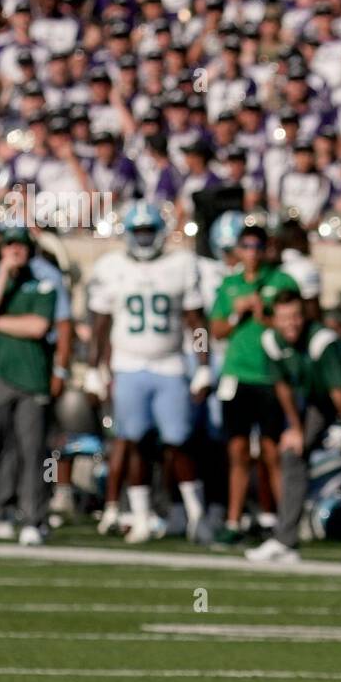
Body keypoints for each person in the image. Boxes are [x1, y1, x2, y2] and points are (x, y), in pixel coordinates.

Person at [86, 202, 212, 544]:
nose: (143, 239)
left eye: (148, 232)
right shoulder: (111, 266)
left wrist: (203, 367)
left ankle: (194, 514)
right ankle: (140, 516)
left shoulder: (181, 264)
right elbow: (100, 325)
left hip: (170, 363)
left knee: (179, 442)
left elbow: (196, 322)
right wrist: (94, 369)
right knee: (135, 442)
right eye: (137, 232)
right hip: (127, 364)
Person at [245, 289, 341, 565]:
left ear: (304, 315)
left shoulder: (322, 341)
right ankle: (285, 541)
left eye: (296, 316)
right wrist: (295, 427)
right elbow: (283, 387)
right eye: (284, 318)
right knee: (291, 452)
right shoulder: (271, 340)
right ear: (273, 319)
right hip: (321, 402)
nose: (291, 323)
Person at [209, 224, 299, 545]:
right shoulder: (230, 285)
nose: (252, 253)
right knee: (237, 451)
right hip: (238, 375)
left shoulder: (282, 281)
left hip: (270, 376)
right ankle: (234, 520)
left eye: (257, 246)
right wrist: (236, 314)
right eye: (246, 246)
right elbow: (216, 330)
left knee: (273, 451)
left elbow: (295, 324)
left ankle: (283, 523)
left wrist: (263, 315)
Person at [0, 226, 57, 546]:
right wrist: (2, 275)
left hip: (32, 377)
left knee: (31, 452)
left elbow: (37, 326)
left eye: (21, 246)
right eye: (9, 245)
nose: (16, 251)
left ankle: (32, 517)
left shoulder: (44, 284)